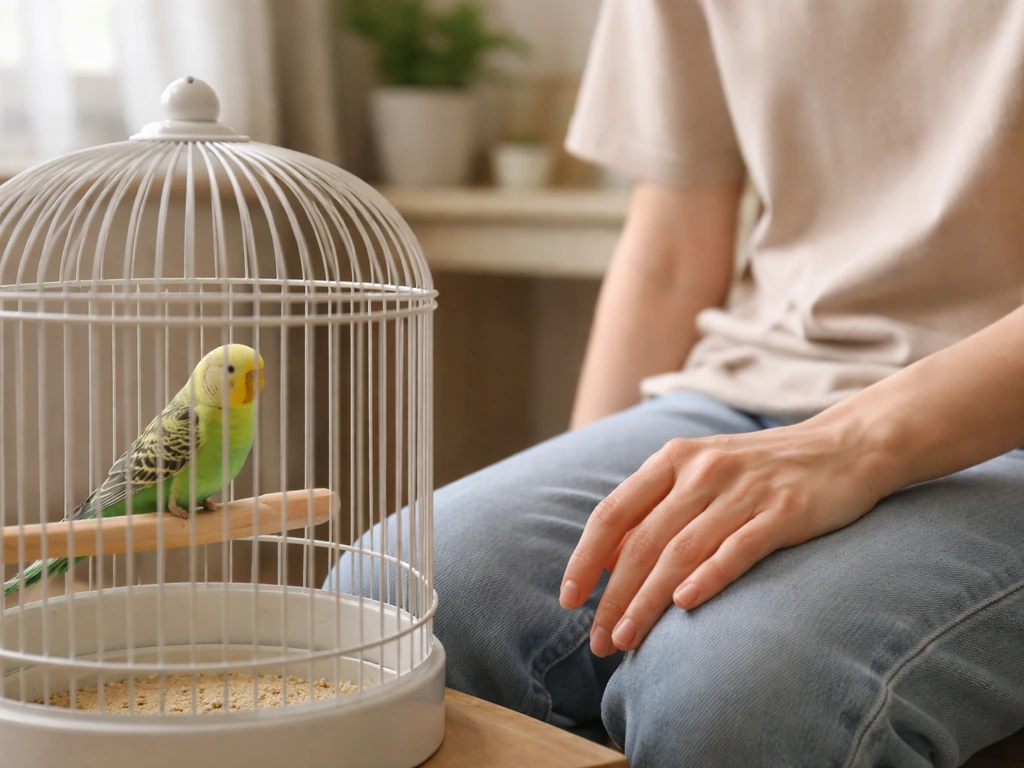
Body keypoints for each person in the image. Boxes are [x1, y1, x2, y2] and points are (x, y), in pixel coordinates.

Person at [332, 2, 1024, 765]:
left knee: (734, 695)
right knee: (391, 600)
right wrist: (604, 539)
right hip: (756, 387)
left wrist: (849, 446)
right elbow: (668, 255)